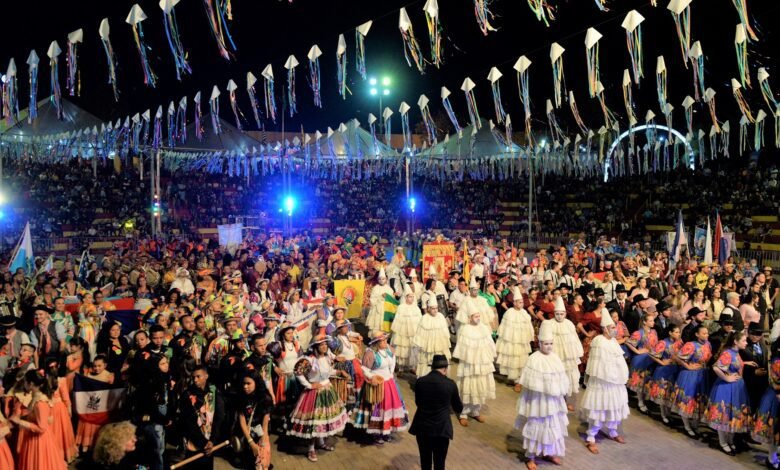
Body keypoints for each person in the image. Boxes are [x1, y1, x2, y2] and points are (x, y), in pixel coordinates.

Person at [515, 321, 569, 470]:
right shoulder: (534, 359)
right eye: (546, 344)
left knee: (552, 425)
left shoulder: (555, 358)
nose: (549, 347)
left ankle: (549, 452)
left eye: (551, 343)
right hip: (538, 402)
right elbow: (530, 383)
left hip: (552, 401)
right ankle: (531, 455)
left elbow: (561, 379)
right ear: (539, 344)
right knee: (537, 425)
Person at [288, 334, 349, 462]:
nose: (324, 346)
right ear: (315, 347)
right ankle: (311, 448)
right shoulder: (309, 359)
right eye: (321, 345)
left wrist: (338, 372)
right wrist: (309, 385)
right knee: (314, 423)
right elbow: (298, 372)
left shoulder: (326, 357)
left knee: (324, 420)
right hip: (314, 394)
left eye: (325, 344)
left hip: (327, 390)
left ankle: (320, 442)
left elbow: (327, 372)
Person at [579, 310, 630, 454]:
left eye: (615, 327)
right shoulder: (598, 341)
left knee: (615, 406)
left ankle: (613, 431)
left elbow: (618, 360)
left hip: (615, 381)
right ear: (605, 329)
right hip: (602, 381)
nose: (615, 329)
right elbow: (598, 364)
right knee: (599, 407)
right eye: (612, 327)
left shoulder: (613, 341)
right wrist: (608, 375)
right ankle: (591, 436)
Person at [352, 331, 409, 443]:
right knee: (377, 408)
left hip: (389, 383)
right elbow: (364, 369)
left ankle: (386, 431)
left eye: (385, 340)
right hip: (377, 385)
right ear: (376, 342)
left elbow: (392, 364)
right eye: (382, 341)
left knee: (389, 407)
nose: (385, 342)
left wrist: (390, 375)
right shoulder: (371, 353)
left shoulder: (389, 350)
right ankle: (376, 432)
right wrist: (372, 377)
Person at [409, 354, 463, 470]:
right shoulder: (450, 384)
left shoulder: (420, 382)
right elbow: (459, 408)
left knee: (425, 461)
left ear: (432, 368)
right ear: (445, 369)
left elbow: (418, 402)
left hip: (422, 428)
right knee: (439, 462)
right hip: (441, 429)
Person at [704, 331, 752, 455]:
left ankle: (730, 441)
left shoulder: (735, 353)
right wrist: (727, 378)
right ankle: (723, 442)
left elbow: (732, 364)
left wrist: (744, 363)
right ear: (736, 341)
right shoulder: (728, 353)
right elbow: (716, 367)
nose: (746, 343)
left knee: (732, 414)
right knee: (724, 414)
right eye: (744, 340)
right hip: (727, 387)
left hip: (736, 387)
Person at [11, 369, 67, 470]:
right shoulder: (36, 397)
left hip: (40, 441)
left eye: (25, 381)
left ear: (31, 383)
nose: (23, 384)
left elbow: (41, 428)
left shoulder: (40, 402)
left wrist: (20, 421)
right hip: (32, 437)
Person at [453, 310, 496, 426]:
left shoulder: (484, 328)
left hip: (482, 364)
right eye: (475, 316)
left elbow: (489, 345)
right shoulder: (465, 329)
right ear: (470, 317)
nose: (478, 318)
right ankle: (464, 413)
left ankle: (475, 411)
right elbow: (462, 349)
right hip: (470, 364)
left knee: (480, 386)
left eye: (479, 316)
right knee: (469, 386)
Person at [179, 365, 225, 470]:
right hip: (194, 442)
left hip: (210, 442)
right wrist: (203, 442)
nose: (195, 380)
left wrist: (212, 440)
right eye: (193, 377)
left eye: (198, 376)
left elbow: (219, 417)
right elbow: (188, 422)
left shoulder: (214, 392)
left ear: (206, 376)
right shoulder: (187, 395)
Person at [541, 298, 583, 410]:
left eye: (561, 314)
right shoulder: (549, 324)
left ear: (565, 314)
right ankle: (553, 400)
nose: (559, 316)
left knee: (567, 377)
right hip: (555, 354)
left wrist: (577, 352)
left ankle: (564, 400)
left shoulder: (569, 324)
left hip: (567, 355)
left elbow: (574, 339)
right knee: (554, 376)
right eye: (557, 314)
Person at [671, 324, 712, 437]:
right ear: (697, 334)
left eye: (707, 333)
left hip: (702, 374)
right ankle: (687, 426)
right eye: (704, 333)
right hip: (690, 375)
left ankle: (695, 425)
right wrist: (688, 366)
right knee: (688, 399)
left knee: (698, 400)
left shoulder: (708, 344)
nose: (706, 335)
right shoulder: (691, 345)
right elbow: (677, 357)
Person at [75, 354, 114, 454]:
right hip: (89, 404)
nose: (96, 368)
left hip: (101, 407)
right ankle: (84, 445)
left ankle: (93, 446)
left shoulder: (108, 375)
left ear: (105, 365)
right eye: (95, 366)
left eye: (99, 366)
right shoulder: (89, 374)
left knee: (96, 425)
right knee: (87, 424)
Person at [645, 324, 683, 424]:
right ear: (670, 332)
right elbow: (652, 354)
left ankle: (669, 413)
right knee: (663, 392)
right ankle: (663, 414)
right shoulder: (663, 343)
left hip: (675, 369)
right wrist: (662, 362)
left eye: (679, 332)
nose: (678, 334)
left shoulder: (680, 342)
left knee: (670, 392)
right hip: (664, 370)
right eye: (676, 332)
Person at [496, 294, 534, 392]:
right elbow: (504, 327)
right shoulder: (509, 313)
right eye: (519, 302)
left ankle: (519, 380)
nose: (521, 304)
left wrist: (528, 337)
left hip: (521, 341)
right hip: (511, 340)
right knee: (512, 358)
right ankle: (513, 378)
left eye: (522, 302)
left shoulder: (524, 313)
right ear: (514, 302)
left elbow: (528, 327)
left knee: (521, 359)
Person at [752, 339, 780, 469]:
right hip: (776, 397)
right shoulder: (777, 361)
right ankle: (771, 458)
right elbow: (776, 382)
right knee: (774, 430)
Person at [238, 371, 274, 470]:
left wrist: (264, 437)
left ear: (256, 383)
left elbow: (265, 420)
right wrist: (250, 442)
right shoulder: (241, 397)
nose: (245, 386)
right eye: (244, 383)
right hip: (248, 433)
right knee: (249, 461)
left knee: (261, 462)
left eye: (248, 383)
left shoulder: (265, 398)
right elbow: (242, 420)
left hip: (261, 431)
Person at [625, 313, 658, 413]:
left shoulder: (654, 332)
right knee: (640, 380)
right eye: (651, 321)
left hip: (651, 359)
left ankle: (645, 400)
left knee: (647, 380)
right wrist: (638, 351)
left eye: (653, 320)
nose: (653, 322)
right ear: (644, 322)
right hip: (641, 360)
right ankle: (640, 402)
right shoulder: (639, 333)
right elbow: (628, 342)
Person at [413, 298, 452, 378]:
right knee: (427, 363)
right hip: (428, 348)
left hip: (440, 346)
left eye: (436, 308)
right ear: (428, 309)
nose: (435, 310)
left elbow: (445, 333)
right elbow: (420, 334)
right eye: (433, 308)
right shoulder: (424, 318)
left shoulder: (441, 317)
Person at [391, 286, 423, 373]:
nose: (411, 298)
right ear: (405, 297)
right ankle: (401, 367)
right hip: (403, 331)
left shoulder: (416, 308)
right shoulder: (401, 307)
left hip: (413, 332)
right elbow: (397, 319)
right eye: (409, 296)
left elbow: (420, 321)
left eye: (412, 296)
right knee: (402, 348)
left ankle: (412, 366)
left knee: (411, 348)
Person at [367, 268, 394, 334]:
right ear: (378, 280)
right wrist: (380, 297)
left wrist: (387, 297)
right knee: (377, 323)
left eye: (383, 279)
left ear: (386, 279)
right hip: (377, 308)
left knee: (385, 324)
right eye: (380, 279)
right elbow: (372, 299)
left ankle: (384, 338)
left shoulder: (389, 289)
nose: (381, 281)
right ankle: (376, 337)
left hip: (386, 308)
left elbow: (392, 299)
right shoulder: (375, 288)